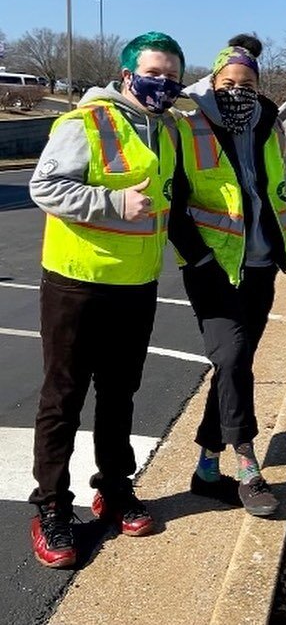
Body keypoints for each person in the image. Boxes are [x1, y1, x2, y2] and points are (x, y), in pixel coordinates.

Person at [28, 31, 185, 568]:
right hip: (76, 283)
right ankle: (51, 507)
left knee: (120, 396)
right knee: (63, 399)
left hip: (137, 288)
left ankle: (114, 489)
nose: (162, 83)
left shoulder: (166, 130)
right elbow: (44, 187)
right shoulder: (85, 121)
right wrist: (112, 201)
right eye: (153, 72)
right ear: (127, 76)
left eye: (171, 75)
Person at [169, 33, 286, 517]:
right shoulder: (187, 125)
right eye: (228, 82)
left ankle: (205, 468)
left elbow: (275, 188)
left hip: (261, 267)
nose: (237, 90)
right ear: (212, 81)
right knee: (235, 357)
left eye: (247, 83)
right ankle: (247, 465)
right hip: (212, 269)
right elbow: (173, 200)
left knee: (231, 368)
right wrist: (198, 257)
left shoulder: (268, 122)